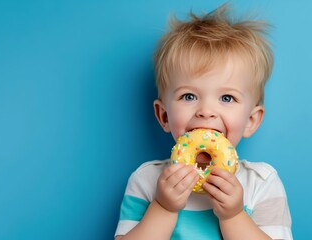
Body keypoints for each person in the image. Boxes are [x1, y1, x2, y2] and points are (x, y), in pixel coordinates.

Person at [115, 3, 292, 240]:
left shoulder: (261, 182)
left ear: (251, 120)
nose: (206, 111)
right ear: (164, 116)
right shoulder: (146, 180)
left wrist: (234, 216)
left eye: (227, 98)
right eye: (189, 96)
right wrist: (163, 207)